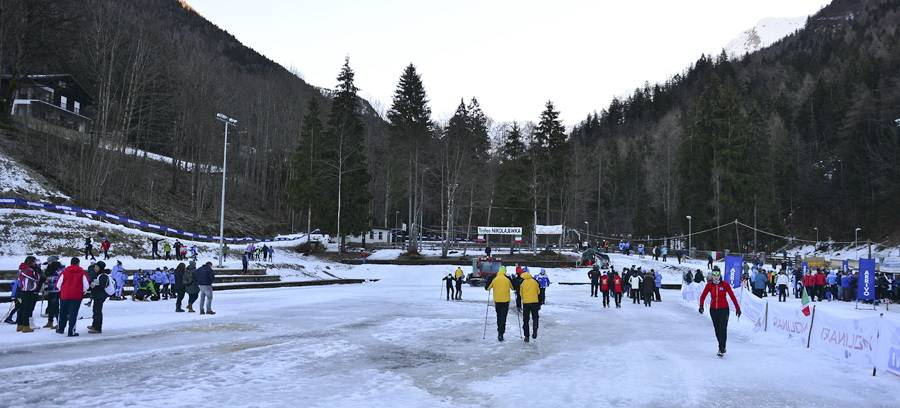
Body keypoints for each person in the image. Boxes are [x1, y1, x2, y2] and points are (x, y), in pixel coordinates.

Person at [698, 270, 741, 357]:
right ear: (712, 276)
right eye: (714, 275)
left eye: (717, 274)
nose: (716, 276)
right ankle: (721, 346)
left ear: (720, 275)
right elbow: (703, 296)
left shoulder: (725, 284)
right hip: (713, 310)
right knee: (717, 329)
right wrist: (701, 306)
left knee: (723, 329)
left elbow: (732, 296)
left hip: (724, 310)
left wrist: (737, 308)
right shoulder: (709, 285)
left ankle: (721, 348)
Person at [57, 257, 89, 337]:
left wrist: (62, 290)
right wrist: (82, 291)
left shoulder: (65, 271)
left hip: (65, 295)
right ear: (78, 263)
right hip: (76, 296)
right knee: (73, 314)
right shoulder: (82, 272)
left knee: (63, 312)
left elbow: (58, 284)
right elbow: (86, 285)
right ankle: (71, 331)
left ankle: (61, 329)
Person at [15, 256, 42, 333]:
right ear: (30, 262)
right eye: (34, 262)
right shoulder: (28, 270)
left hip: (20, 291)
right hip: (27, 292)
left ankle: (20, 325)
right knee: (26, 309)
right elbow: (36, 278)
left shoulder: (22, 268)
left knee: (21, 308)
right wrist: (37, 270)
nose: (35, 263)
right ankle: (26, 326)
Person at [485, 269, 511, 341]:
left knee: (499, 317)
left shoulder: (494, 279)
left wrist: (489, 280)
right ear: (505, 272)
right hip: (505, 301)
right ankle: (501, 333)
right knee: (503, 317)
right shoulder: (507, 279)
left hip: (497, 301)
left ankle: (499, 332)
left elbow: (487, 288)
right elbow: (512, 287)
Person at [87, 266, 112, 334]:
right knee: (95, 310)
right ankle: (94, 325)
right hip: (97, 295)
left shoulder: (103, 276)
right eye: (95, 267)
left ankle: (98, 328)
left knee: (98, 311)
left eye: (97, 267)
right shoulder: (98, 274)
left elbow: (102, 286)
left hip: (100, 296)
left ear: (100, 268)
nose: (95, 268)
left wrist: (94, 286)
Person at [519, 271, 540, 342]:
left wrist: (524, 298)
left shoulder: (523, 283)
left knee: (526, 320)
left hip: (526, 303)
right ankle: (535, 329)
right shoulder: (535, 282)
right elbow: (538, 292)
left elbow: (521, 294)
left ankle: (526, 336)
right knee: (535, 317)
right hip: (534, 302)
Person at [43, 256, 63, 329]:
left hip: (57, 290)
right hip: (50, 289)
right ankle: (50, 321)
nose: (48, 263)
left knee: (55, 306)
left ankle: (59, 322)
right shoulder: (48, 268)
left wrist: (50, 278)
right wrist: (45, 288)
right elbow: (46, 279)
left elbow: (59, 278)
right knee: (50, 306)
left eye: (49, 261)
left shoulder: (59, 268)